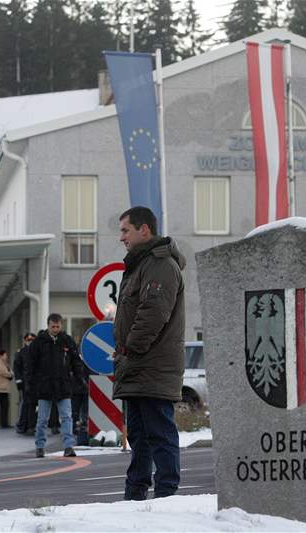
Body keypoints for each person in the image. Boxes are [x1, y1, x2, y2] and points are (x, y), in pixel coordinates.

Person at [112, 206, 186, 500]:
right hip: (138, 365)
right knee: (140, 437)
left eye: (125, 230)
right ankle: (135, 493)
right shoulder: (142, 265)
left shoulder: (160, 265)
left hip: (150, 365)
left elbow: (152, 314)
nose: (121, 238)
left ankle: (167, 495)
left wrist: (130, 349)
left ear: (144, 230)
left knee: (159, 433)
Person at [27, 313, 83, 457]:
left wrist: (79, 379)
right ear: (48, 325)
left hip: (63, 385)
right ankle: (40, 447)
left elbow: (76, 361)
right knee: (42, 419)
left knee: (66, 417)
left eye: (58, 326)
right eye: (53, 327)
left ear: (61, 325)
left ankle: (68, 447)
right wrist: (31, 384)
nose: (55, 329)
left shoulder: (67, 341)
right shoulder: (39, 342)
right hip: (44, 385)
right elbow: (31, 364)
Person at [14, 333, 35, 433]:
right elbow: (17, 368)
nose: (30, 342)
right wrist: (19, 381)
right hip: (25, 383)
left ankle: (26, 425)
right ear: (25, 341)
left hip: (36, 383)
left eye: (31, 340)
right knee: (27, 404)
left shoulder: (37, 351)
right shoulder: (21, 352)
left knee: (30, 404)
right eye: (28, 340)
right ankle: (26, 425)